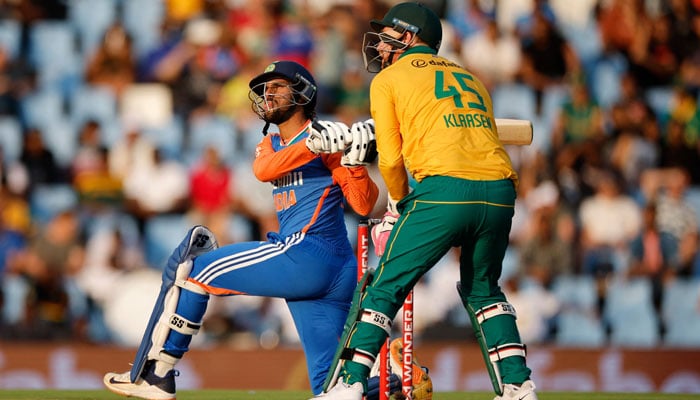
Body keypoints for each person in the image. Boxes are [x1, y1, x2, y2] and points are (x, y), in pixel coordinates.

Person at [103, 60, 379, 399]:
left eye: (278, 86)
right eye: (265, 88)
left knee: (197, 271)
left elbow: (364, 205)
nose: (268, 94)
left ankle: (159, 375)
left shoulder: (328, 136)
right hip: (325, 267)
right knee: (331, 386)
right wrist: (313, 146)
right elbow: (263, 170)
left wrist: (355, 162)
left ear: (303, 92)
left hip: (308, 253)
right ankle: (397, 381)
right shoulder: (272, 144)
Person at [318, 3, 538, 400]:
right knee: (484, 290)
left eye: (388, 36)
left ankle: (349, 385)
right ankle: (519, 387)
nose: (381, 46)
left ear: (409, 36)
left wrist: (399, 203)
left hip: (446, 191)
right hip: (501, 191)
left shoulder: (388, 80)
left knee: (384, 285)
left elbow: (390, 157)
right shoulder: (470, 77)